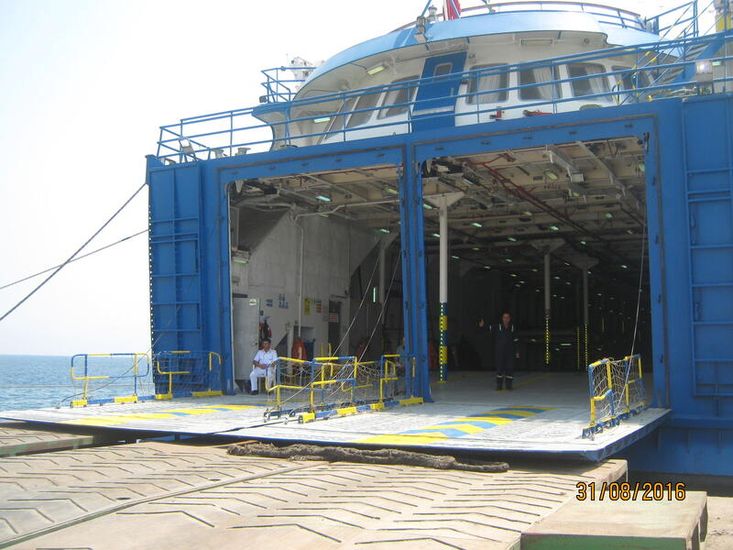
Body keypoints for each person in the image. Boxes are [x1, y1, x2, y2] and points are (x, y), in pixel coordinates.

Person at [479, 312, 518, 391]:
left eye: (507, 317)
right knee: (499, 368)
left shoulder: (512, 327)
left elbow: (516, 340)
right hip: (500, 352)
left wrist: (517, 351)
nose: (506, 319)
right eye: (504, 317)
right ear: (502, 319)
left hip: (510, 352)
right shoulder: (498, 327)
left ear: (509, 319)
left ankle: (509, 385)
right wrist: (482, 326)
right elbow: (488, 328)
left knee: (509, 368)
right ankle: (499, 385)